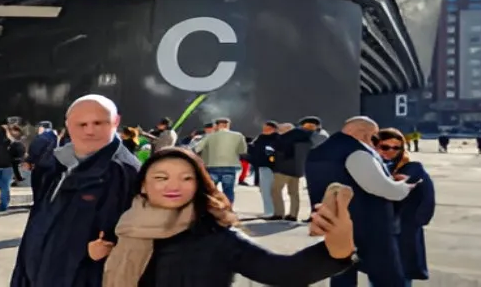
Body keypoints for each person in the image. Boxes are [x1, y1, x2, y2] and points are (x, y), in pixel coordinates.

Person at [92, 146, 354, 285]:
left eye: (186, 178)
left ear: (198, 185)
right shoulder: (127, 228)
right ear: (143, 186)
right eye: (161, 178)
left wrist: (337, 249)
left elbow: (284, 272)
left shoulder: (215, 237)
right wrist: (97, 256)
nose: (173, 186)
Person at [11, 94, 141, 287]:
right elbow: (36, 227)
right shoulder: (54, 164)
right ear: (68, 125)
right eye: (82, 124)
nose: (90, 131)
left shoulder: (124, 172)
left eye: (98, 122)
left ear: (115, 122)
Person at [306, 116, 410, 287]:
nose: (374, 142)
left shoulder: (318, 151)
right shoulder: (356, 152)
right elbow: (381, 187)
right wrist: (405, 187)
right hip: (369, 224)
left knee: (341, 271)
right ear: (363, 133)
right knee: (386, 275)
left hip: (334, 223)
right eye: (373, 136)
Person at [373, 127, 433, 285]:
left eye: (396, 148)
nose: (390, 151)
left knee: (401, 275)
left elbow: (426, 196)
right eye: (385, 147)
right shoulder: (371, 168)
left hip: (402, 232)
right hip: (378, 233)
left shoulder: (413, 167)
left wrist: (415, 222)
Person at [272, 117, 322, 222]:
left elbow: (279, 147)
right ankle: (293, 215)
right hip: (299, 168)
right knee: (294, 193)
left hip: (284, 168)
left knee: (276, 190)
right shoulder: (315, 136)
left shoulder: (292, 134)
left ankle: (279, 213)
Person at [193, 118, 248, 203]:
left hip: (212, 166)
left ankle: (210, 211)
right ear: (228, 125)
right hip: (230, 166)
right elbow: (242, 151)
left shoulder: (210, 136)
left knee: (210, 191)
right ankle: (228, 211)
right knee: (228, 191)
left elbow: (197, 148)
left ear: (216, 125)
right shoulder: (238, 135)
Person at [248, 122, 280, 219]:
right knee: (264, 190)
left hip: (272, 167)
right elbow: (254, 149)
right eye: (264, 128)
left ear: (273, 129)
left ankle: (271, 211)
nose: (264, 130)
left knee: (270, 190)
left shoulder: (277, 139)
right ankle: (268, 210)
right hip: (261, 166)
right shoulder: (260, 138)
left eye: (267, 128)